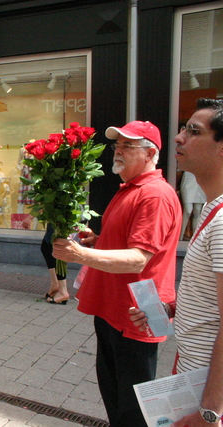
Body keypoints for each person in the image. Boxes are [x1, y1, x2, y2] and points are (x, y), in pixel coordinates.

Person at [52, 120, 182, 427]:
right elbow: (131, 243)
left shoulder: (154, 195)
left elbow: (139, 259)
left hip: (136, 318)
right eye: (117, 145)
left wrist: (81, 254)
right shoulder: (131, 189)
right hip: (115, 312)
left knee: (132, 411)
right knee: (116, 400)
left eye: (127, 145)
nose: (118, 151)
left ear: (151, 153)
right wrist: (97, 241)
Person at [129, 99, 223, 427]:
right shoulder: (214, 212)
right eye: (183, 128)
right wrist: (172, 309)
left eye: (193, 131)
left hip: (207, 397)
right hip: (194, 378)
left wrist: (211, 411)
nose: (179, 137)